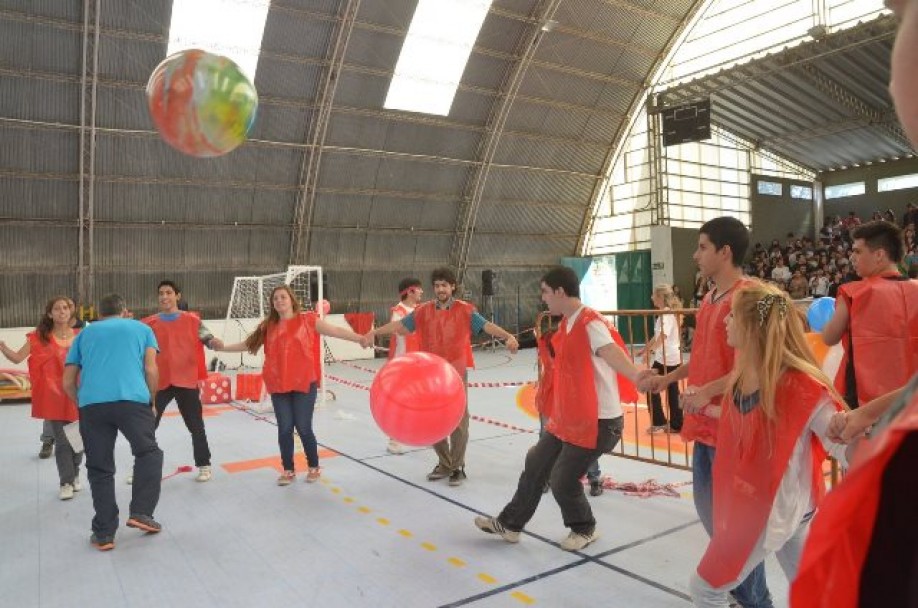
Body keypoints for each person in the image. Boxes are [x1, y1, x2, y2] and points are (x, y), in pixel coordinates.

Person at [473, 266, 654, 551]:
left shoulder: (590, 322)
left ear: (559, 291)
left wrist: (636, 376)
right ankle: (510, 525)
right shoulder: (568, 323)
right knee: (536, 463)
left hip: (599, 422)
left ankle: (584, 528)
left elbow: (611, 352)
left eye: (545, 292)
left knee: (562, 478)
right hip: (570, 418)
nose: (543, 299)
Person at [690, 283, 848, 606]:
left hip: (771, 511)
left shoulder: (801, 385)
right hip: (789, 509)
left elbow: (842, 442)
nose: (725, 322)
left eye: (732, 315)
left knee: (704, 588)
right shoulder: (745, 374)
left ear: (750, 327)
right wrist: (705, 408)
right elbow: (748, 420)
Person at [651, 216, 772, 606]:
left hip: (733, 429)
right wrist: (668, 380)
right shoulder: (707, 299)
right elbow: (703, 358)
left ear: (725, 252)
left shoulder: (749, 296)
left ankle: (754, 599)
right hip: (705, 428)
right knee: (719, 526)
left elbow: (751, 365)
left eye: (702, 247)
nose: (695, 254)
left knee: (734, 532)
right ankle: (743, 593)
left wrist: (708, 393)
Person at [366, 267, 520, 487]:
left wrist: (507, 335)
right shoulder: (423, 311)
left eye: (444, 285)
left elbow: (485, 325)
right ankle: (444, 463)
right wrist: (374, 332)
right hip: (430, 376)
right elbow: (400, 325)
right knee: (433, 420)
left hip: (455, 374)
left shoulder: (465, 311)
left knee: (458, 421)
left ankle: (458, 466)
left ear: (452, 287)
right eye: (437, 285)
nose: (440, 289)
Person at [215, 285, 367, 485]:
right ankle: (288, 470)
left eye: (282, 297)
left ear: (291, 299)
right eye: (275, 298)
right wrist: (223, 347)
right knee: (285, 428)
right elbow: (248, 345)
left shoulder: (308, 320)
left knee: (303, 428)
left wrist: (361, 338)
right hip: (279, 385)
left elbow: (336, 331)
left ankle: (313, 466)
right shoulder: (267, 326)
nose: (279, 301)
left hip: (304, 383)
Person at [62, 294, 163, 551]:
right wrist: (152, 400)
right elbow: (151, 369)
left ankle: (105, 533)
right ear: (125, 310)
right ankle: (141, 512)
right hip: (133, 401)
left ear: (99, 313)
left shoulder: (84, 334)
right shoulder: (142, 329)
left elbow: (67, 381)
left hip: (92, 406)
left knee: (99, 467)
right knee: (148, 453)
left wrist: (82, 401)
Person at [821, 221, 918, 408]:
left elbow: (828, 337)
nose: (851, 257)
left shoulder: (853, 293)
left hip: (863, 402)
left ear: (879, 255)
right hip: (911, 400)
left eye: (857, 251)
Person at [1, 296, 84, 500]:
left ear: (70, 311)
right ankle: (65, 482)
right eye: (57, 308)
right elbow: (17, 358)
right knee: (63, 442)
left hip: (79, 396)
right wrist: (2, 346)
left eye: (65, 308)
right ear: (50, 314)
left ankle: (75, 476)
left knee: (79, 442)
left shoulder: (82, 335)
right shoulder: (39, 337)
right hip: (54, 398)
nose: (62, 311)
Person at [141, 281, 223, 483]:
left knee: (196, 425)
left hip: (186, 380)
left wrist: (214, 342)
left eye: (168, 292)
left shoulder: (192, 320)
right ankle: (142, 468)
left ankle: (204, 464)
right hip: (159, 382)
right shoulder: (147, 323)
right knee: (146, 425)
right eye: (161, 293)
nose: (164, 296)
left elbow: (207, 337)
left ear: (177, 296)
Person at [635, 284, 683, 434]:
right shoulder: (666, 314)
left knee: (656, 387)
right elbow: (657, 336)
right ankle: (669, 423)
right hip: (666, 358)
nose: (651, 298)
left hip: (668, 359)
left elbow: (663, 337)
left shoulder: (667, 315)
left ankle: (668, 423)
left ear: (661, 297)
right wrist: (645, 349)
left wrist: (649, 352)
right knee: (668, 390)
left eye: (654, 295)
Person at [385, 277, 424, 455]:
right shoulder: (398, 311)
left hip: (421, 362)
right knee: (401, 402)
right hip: (403, 364)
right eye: (419, 289)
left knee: (422, 400)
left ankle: (425, 435)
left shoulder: (422, 310)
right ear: (410, 292)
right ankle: (394, 440)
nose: (422, 292)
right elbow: (397, 330)